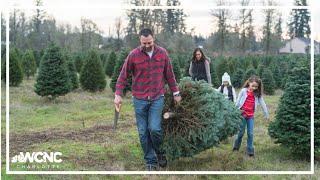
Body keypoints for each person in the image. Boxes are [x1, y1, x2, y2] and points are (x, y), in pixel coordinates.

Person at [114, 28, 182, 171]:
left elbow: (169, 75)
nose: (146, 45)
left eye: (149, 42)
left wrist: (176, 92)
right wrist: (118, 94)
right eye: (144, 43)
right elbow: (123, 76)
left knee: (155, 129)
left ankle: (160, 153)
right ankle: (150, 161)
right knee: (143, 132)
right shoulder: (133, 55)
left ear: (154, 39)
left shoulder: (162, 53)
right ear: (140, 40)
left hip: (157, 97)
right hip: (139, 99)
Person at [233, 76, 269, 157]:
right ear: (249, 83)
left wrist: (266, 113)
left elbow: (263, 104)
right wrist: (235, 111)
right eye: (253, 86)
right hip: (242, 115)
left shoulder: (257, 94)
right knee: (241, 133)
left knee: (250, 133)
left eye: (256, 86)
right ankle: (236, 147)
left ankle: (250, 151)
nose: (254, 88)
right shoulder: (243, 91)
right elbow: (238, 101)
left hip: (250, 116)